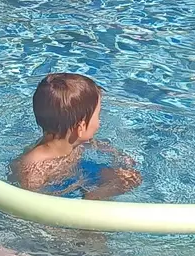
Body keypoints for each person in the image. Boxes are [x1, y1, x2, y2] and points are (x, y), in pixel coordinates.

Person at [11, 72, 142, 199]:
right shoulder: (35, 168)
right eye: (97, 116)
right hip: (56, 192)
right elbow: (31, 207)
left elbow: (94, 144)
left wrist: (115, 154)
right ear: (81, 128)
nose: (99, 122)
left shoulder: (70, 140)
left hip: (75, 173)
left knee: (129, 179)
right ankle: (94, 197)